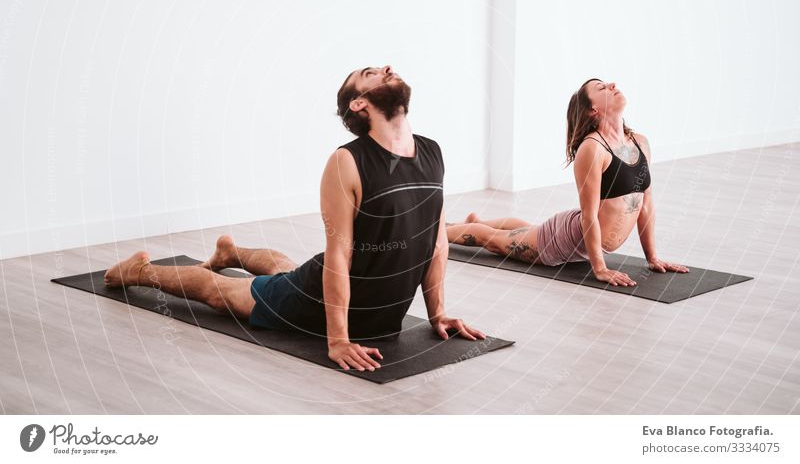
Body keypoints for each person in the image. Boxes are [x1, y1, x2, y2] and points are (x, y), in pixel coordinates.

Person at [105, 65, 484, 372]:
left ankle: (231, 252)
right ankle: (137, 271)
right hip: (320, 302)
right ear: (359, 104)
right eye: (370, 73)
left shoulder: (432, 151)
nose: (386, 68)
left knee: (290, 273)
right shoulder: (347, 161)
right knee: (222, 294)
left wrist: (438, 314)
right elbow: (339, 256)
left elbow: (435, 242)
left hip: (377, 314)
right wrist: (337, 339)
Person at [446, 78, 688, 287]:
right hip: (561, 243)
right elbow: (589, 215)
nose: (612, 85)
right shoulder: (592, 148)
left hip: (576, 234)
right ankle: (440, 232)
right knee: (496, 242)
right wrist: (600, 268)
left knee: (530, 230)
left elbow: (646, 204)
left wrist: (652, 257)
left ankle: (474, 221)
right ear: (592, 109)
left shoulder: (640, 141)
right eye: (602, 88)